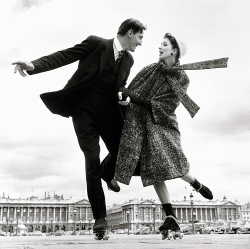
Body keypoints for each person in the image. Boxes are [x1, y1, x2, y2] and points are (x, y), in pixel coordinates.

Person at [12, 18, 147, 234]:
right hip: (84, 111)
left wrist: (124, 96)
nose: (141, 42)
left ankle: (107, 171)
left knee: (127, 151)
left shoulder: (128, 60)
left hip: (110, 112)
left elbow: (121, 86)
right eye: (140, 37)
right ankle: (100, 218)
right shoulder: (95, 43)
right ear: (130, 33)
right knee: (91, 158)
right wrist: (34, 65)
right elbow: (64, 55)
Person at [114, 33, 228, 234]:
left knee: (171, 160)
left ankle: (196, 183)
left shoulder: (182, 77)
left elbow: (167, 105)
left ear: (174, 50)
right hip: (144, 123)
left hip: (164, 123)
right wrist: (125, 97)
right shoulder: (150, 69)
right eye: (160, 44)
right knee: (154, 169)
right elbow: (131, 88)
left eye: (164, 44)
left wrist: (135, 99)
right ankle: (170, 216)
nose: (159, 47)